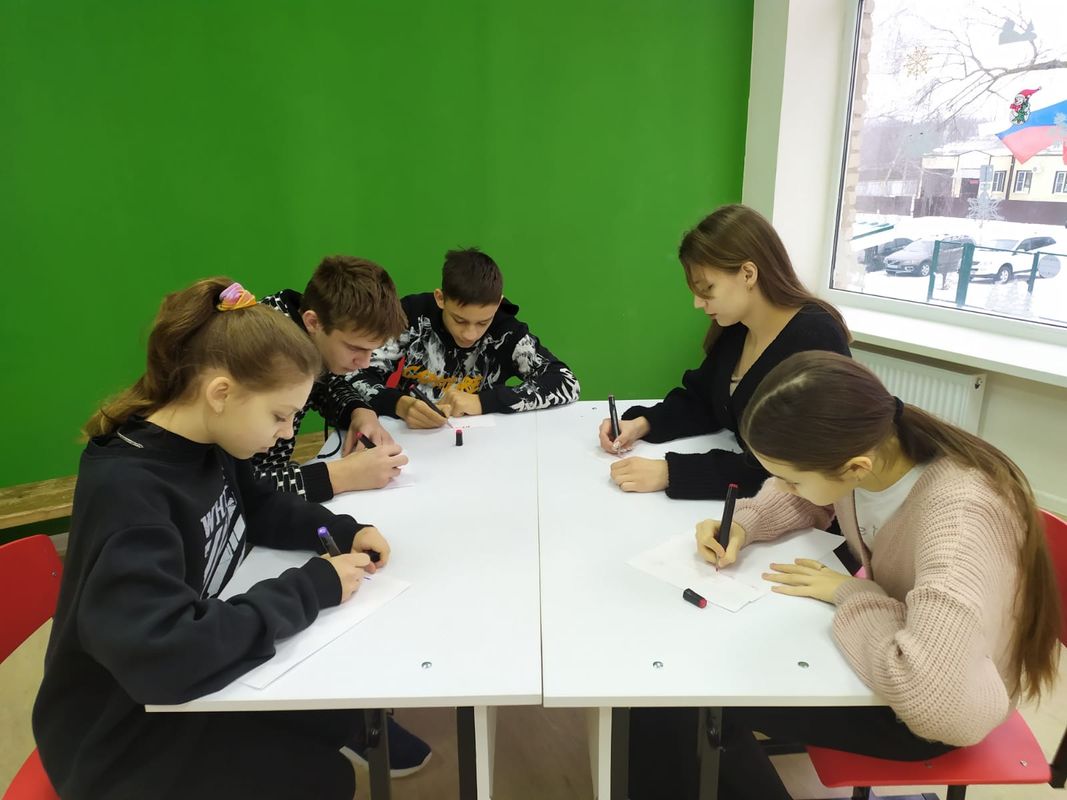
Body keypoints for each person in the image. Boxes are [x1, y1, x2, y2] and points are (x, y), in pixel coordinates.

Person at [33, 279, 392, 800]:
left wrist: (342, 530)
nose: (287, 433)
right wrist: (312, 587)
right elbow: (165, 655)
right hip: (120, 738)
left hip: (177, 681)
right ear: (221, 393)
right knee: (325, 780)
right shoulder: (130, 491)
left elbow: (261, 505)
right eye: (279, 416)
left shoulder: (208, 438)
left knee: (340, 715)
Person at [694, 350, 1061, 799]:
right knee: (712, 685)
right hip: (904, 645)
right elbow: (810, 493)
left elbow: (942, 703)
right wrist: (745, 523)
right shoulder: (878, 447)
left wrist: (853, 594)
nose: (784, 487)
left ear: (855, 468)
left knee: (709, 702)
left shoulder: (959, 519)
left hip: (931, 705)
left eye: (791, 479)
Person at [599, 204, 850, 500]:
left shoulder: (816, 337)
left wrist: (672, 472)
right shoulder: (736, 327)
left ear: (748, 274)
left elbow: (794, 465)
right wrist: (643, 423)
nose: (698, 303)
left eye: (707, 288)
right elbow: (704, 400)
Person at [350, 247, 580, 426]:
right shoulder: (411, 316)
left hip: (481, 441)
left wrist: (484, 402)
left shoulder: (506, 331)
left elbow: (566, 382)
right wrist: (399, 404)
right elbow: (354, 374)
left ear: (498, 303)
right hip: (409, 437)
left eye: (483, 322)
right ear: (440, 298)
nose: (470, 335)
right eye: (459, 320)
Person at [252, 255, 410, 501]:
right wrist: (341, 476)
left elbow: (325, 384)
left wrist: (358, 411)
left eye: (372, 350)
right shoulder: (265, 352)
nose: (365, 363)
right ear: (313, 322)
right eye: (355, 348)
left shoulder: (301, 331)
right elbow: (236, 493)